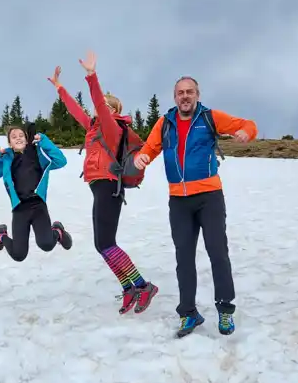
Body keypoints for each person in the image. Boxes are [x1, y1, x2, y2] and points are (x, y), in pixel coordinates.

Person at [133, 75, 257, 337]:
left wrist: (247, 132)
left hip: (209, 197)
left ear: (197, 95)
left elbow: (247, 124)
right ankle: (188, 313)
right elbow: (150, 147)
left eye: (190, 92)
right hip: (178, 201)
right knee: (184, 258)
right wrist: (142, 157)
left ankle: (225, 309)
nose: (185, 96)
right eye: (180, 93)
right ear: (175, 97)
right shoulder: (165, 123)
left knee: (217, 252)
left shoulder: (209, 117)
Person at [47, 51, 158, 315]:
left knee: (107, 242)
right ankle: (129, 287)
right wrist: (60, 88)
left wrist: (91, 76)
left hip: (110, 187)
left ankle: (143, 285)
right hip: (99, 187)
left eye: (107, 107)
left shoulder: (112, 127)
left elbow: (97, 103)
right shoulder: (93, 128)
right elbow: (77, 111)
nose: (100, 109)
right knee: (101, 244)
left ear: (114, 112)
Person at [0, 122, 73, 261]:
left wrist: (44, 141)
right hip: (19, 209)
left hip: (38, 206)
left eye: (21, 135)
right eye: (14, 137)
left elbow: (61, 161)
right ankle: (1, 235)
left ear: (26, 139)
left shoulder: (38, 154)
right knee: (19, 255)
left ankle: (58, 231)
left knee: (47, 244)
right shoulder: (6, 159)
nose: (18, 138)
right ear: (10, 143)